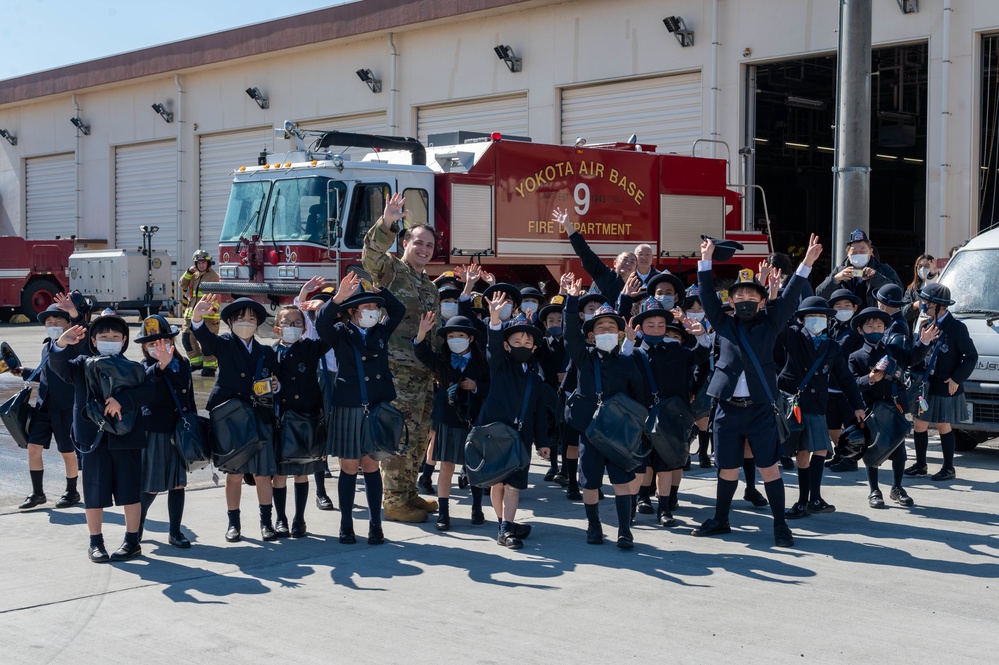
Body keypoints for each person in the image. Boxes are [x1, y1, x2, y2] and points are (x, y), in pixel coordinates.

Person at [692, 233, 824, 548]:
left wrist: (806, 263)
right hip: (726, 409)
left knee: (768, 468)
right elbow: (707, 294)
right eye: (740, 296)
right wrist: (707, 259)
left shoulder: (771, 324)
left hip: (760, 409)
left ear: (763, 301)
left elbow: (791, 297)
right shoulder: (723, 324)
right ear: (732, 301)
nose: (746, 300)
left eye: (753, 295)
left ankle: (780, 526)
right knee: (726, 469)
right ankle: (721, 519)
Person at [50, 311, 156, 562]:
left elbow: (149, 390)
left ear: (124, 340)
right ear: (94, 341)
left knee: (130, 491)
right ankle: (96, 543)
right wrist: (62, 343)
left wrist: (123, 400)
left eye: (116, 336)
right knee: (94, 492)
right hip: (93, 438)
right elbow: (58, 366)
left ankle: (132, 541)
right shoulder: (80, 365)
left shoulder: (134, 368)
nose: (110, 340)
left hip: (126, 437)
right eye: (104, 336)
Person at [362, 192, 441, 523]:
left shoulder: (430, 287)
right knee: (399, 434)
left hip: (423, 374)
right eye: (418, 243)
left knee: (419, 435)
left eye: (429, 246)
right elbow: (371, 255)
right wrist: (388, 221)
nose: (423, 249)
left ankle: (408, 493)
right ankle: (393, 500)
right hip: (396, 371)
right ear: (405, 243)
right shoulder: (393, 270)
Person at [562, 273, 645, 550]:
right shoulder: (584, 358)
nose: (606, 331)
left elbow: (639, 396)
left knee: (622, 481)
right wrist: (571, 302)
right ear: (590, 335)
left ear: (620, 334)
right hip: (590, 431)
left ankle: (624, 529)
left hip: (619, 434)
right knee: (590, 483)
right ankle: (594, 524)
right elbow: (570, 335)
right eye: (600, 328)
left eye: (612, 327)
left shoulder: (626, 361)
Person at [191, 295, 281, 543]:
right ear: (229, 322)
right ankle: (234, 524)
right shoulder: (224, 344)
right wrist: (196, 317)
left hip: (260, 417)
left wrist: (276, 383)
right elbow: (203, 338)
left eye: (251, 319)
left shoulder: (265, 351)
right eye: (240, 318)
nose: (246, 323)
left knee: (263, 474)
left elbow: (276, 378)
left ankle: (266, 523)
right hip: (231, 419)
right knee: (234, 474)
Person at [778, 297, 866, 519]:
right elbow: (776, 321)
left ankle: (815, 498)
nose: (817, 320)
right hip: (794, 404)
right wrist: (774, 296)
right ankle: (801, 501)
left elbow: (845, 379)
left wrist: (858, 405)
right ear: (802, 319)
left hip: (817, 406)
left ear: (828, 321)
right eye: (811, 316)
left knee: (820, 449)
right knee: (801, 454)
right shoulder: (793, 336)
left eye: (822, 317)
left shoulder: (832, 346)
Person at [629, 299, 709, 526]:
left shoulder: (675, 348)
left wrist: (701, 334)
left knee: (666, 465)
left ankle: (664, 508)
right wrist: (628, 341)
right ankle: (633, 505)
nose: (656, 329)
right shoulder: (633, 352)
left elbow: (700, 356)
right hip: (641, 417)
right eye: (650, 324)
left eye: (661, 325)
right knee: (640, 465)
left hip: (669, 419)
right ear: (641, 327)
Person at [478, 298, 549, 549]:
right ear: (507, 346)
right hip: (496, 435)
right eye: (517, 342)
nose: (523, 345)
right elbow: (493, 347)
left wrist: (543, 442)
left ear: (534, 348)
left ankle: (506, 526)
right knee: (498, 482)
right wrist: (495, 320)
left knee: (514, 485)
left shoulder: (535, 379)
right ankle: (504, 525)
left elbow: (540, 413)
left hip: (521, 437)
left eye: (528, 342)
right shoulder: (499, 366)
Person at [414, 313, 489, 531]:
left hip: (472, 419)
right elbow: (422, 353)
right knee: (446, 465)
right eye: (451, 336)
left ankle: (477, 509)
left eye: (460, 335)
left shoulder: (482, 360)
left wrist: (475, 386)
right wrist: (422, 332)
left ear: (471, 338)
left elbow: (490, 386)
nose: (455, 339)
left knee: (474, 466)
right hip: (446, 418)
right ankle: (444, 514)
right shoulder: (442, 360)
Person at [12, 298, 84, 511]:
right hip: (43, 406)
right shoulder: (47, 346)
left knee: (67, 451)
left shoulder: (76, 345)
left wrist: (74, 313)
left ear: (68, 325)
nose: (53, 325)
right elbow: (46, 374)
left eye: (58, 321)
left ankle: (72, 492)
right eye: (49, 322)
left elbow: (84, 330)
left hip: (65, 407)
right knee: (33, 448)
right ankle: (38, 493)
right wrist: (24, 372)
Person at [271, 300, 332, 539]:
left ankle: (299, 519)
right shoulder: (270, 351)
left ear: (305, 328)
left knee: (301, 471)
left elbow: (329, 334)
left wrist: (322, 311)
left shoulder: (311, 347)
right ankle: (281, 519)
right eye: (287, 323)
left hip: (307, 419)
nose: (293, 327)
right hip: (280, 420)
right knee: (279, 474)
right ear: (277, 327)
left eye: (298, 323)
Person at [906, 283, 978, 481]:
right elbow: (916, 356)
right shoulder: (924, 325)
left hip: (946, 384)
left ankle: (948, 468)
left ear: (938, 305)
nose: (922, 304)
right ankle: (921, 464)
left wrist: (957, 378)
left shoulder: (957, 328)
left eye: (926, 301)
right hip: (925, 384)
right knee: (919, 423)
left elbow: (971, 356)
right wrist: (924, 341)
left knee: (943, 425)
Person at [134, 315, 194, 548]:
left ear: (172, 340)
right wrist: (161, 365)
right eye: (151, 344)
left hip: (178, 430)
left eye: (163, 341)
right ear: (144, 348)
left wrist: (192, 422)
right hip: (154, 430)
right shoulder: (144, 367)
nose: (158, 347)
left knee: (178, 483)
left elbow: (187, 396)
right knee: (152, 483)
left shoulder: (183, 364)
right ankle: (136, 525)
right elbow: (147, 384)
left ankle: (175, 531)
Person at [847, 307, 915, 508]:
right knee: (872, 448)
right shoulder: (856, 356)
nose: (875, 329)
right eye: (870, 326)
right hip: (871, 409)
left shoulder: (893, 350)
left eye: (879, 325)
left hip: (896, 406)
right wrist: (868, 379)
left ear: (886, 329)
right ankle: (874, 490)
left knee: (899, 450)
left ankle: (897, 487)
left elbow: (913, 358)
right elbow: (852, 383)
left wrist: (925, 342)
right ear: (861, 330)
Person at [555, 207, 635, 302]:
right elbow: (584, 252)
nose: (627, 263)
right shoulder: (602, 273)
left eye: (632, 262)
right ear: (615, 263)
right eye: (624, 260)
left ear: (636, 269)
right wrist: (568, 226)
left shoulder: (636, 287)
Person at [816, 229, 902, 308]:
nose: (858, 254)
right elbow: (820, 294)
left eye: (862, 251)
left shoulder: (883, 269)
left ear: (870, 251)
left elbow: (899, 291)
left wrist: (875, 277)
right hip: (847, 320)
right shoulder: (839, 271)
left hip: (873, 321)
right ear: (847, 252)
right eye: (854, 252)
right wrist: (836, 279)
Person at [179, 249, 221, 377]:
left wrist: (212, 310)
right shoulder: (194, 275)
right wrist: (188, 273)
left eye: (203, 262)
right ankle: (197, 363)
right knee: (186, 339)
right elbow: (182, 285)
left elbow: (218, 297)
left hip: (208, 317)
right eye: (198, 263)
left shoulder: (215, 277)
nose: (201, 265)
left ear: (208, 263)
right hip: (191, 315)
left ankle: (210, 366)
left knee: (207, 343)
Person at [902, 254, 939, 326]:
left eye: (926, 266)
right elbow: (904, 313)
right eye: (920, 266)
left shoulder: (940, 284)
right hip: (919, 327)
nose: (922, 269)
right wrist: (914, 306)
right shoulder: (912, 289)